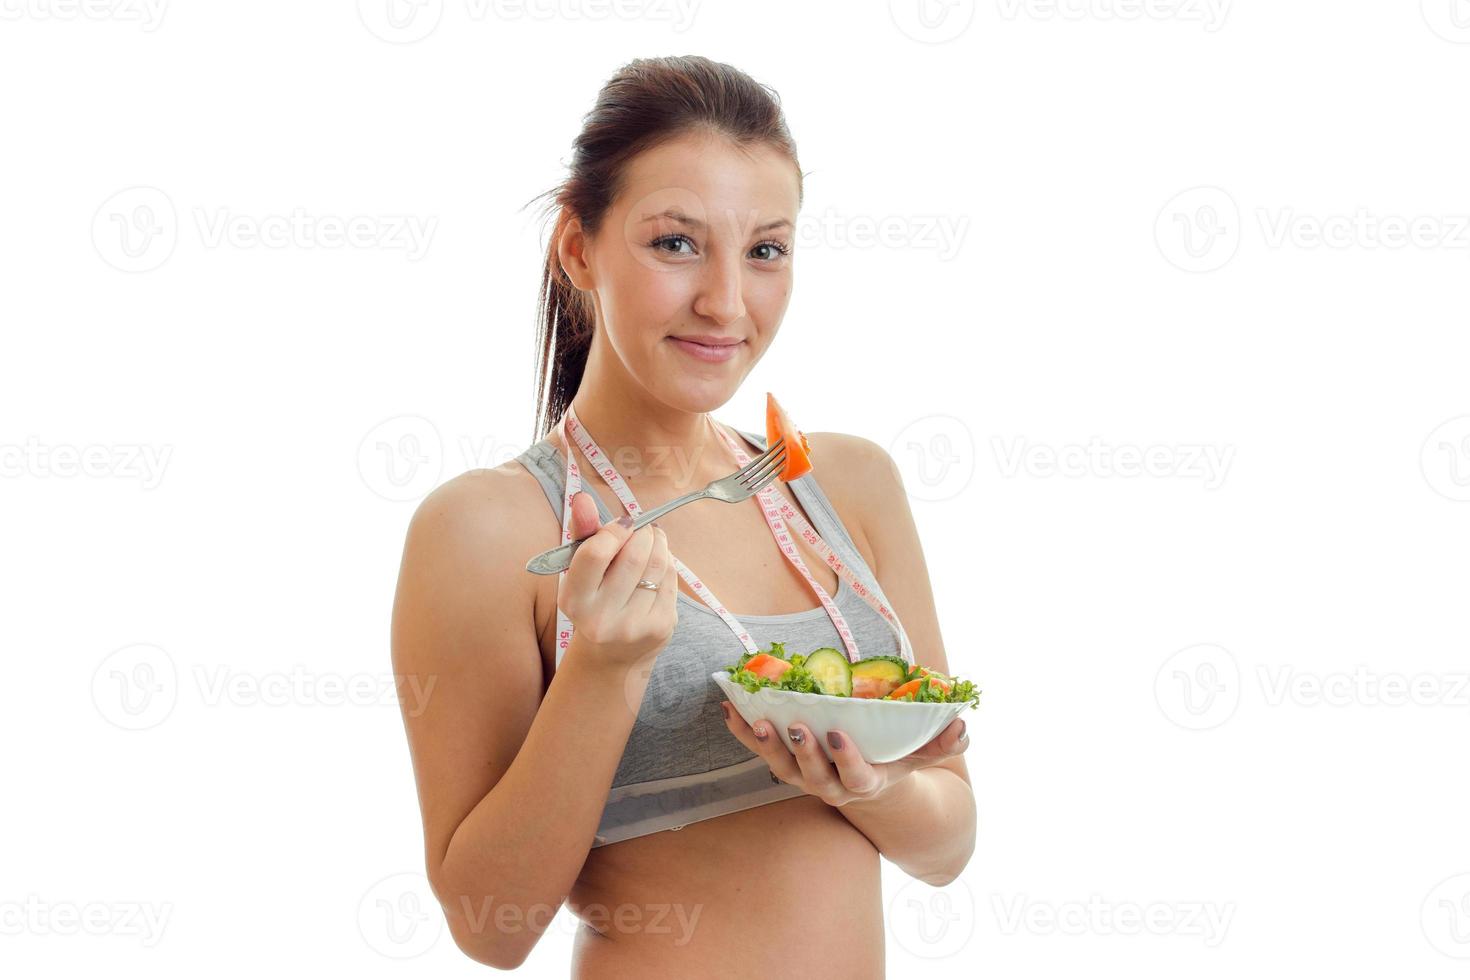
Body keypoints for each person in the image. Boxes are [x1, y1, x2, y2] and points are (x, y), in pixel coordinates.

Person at [391, 55, 975, 976]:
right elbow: (489, 927)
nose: (726, 302)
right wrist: (604, 674)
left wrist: (867, 787)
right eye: (676, 243)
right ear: (577, 248)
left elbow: (948, 845)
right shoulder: (489, 530)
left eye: (766, 250)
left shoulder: (844, 485)